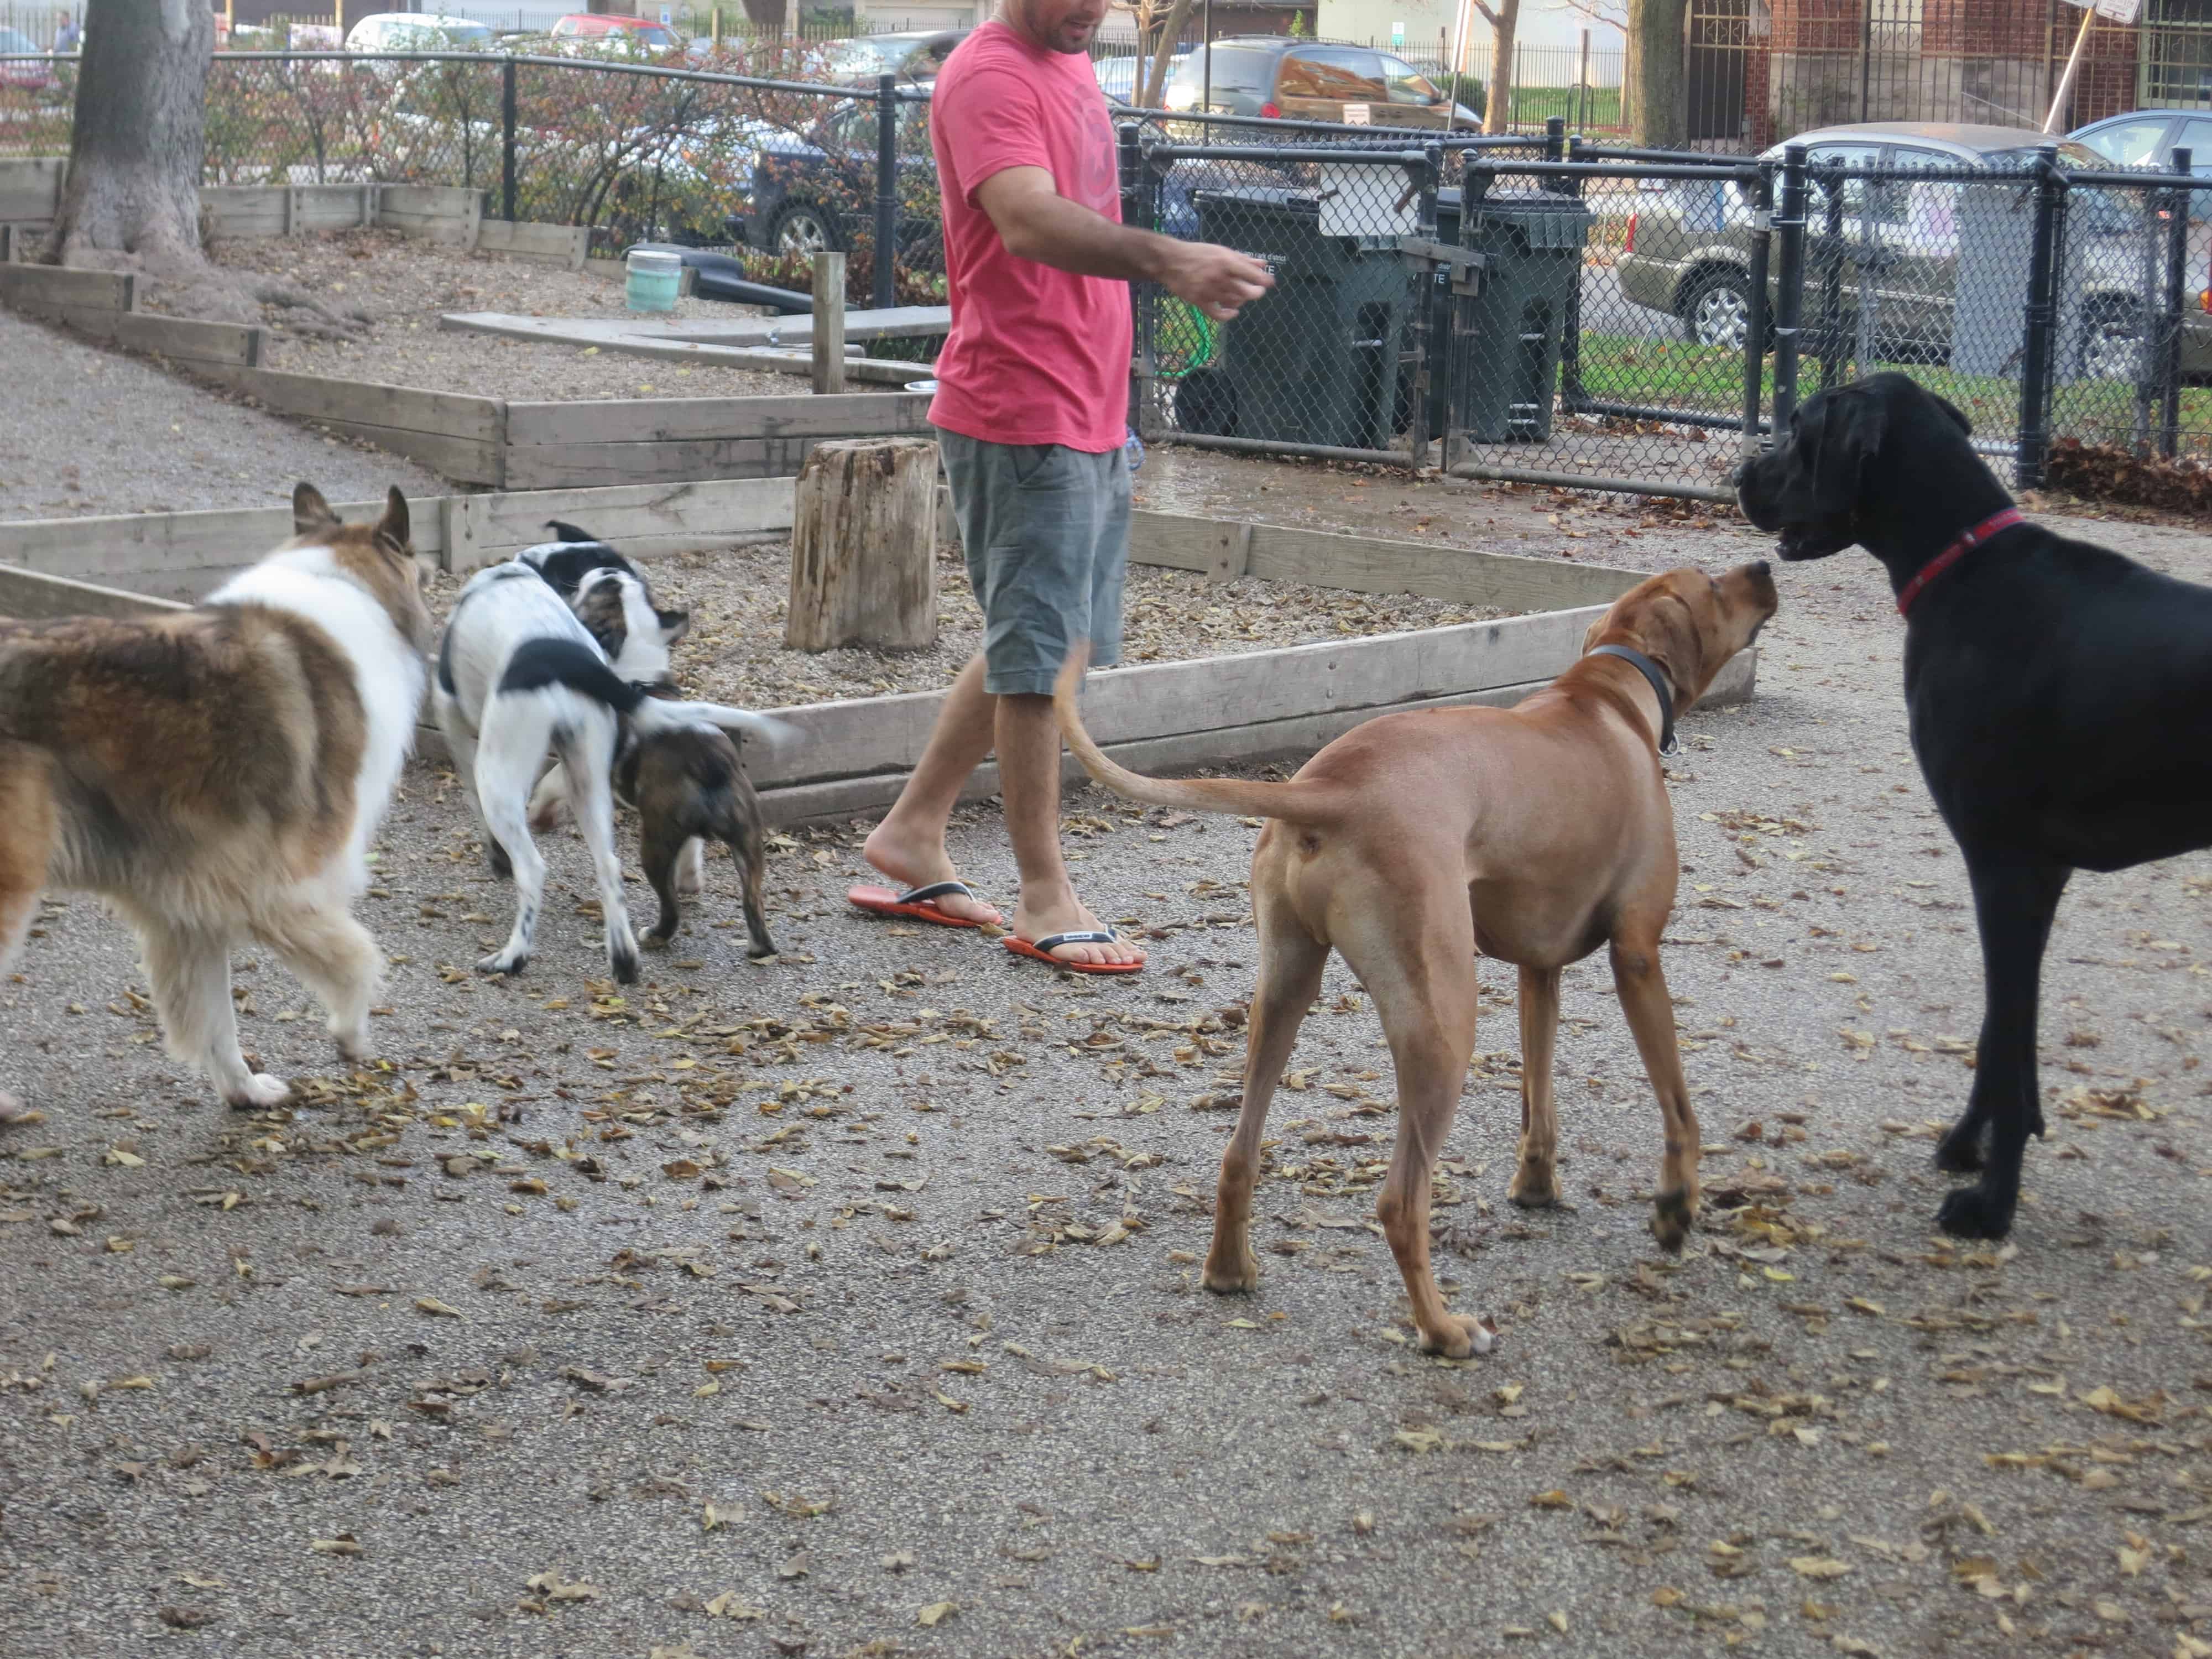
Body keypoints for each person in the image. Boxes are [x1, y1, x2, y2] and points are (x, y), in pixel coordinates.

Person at [847, 0, 1272, 974]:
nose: (1094, 9)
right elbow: (1027, 221)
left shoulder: (1068, 57)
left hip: (1089, 400)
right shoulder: (990, 74)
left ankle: (912, 835)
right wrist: (1168, 259)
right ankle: (1046, 896)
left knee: (1048, 636)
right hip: (1021, 404)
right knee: (1038, 657)